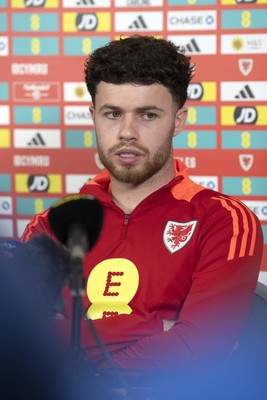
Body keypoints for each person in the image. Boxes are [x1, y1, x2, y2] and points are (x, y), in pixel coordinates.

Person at [21, 35, 263, 397]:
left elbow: (198, 350)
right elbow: (23, 343)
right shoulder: (51, 225)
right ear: (93, 116)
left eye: (148, 115)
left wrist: (75, 358)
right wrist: (157, 326)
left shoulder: (225, 220)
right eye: (113, 113)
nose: (127, 133)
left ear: (178, 120)